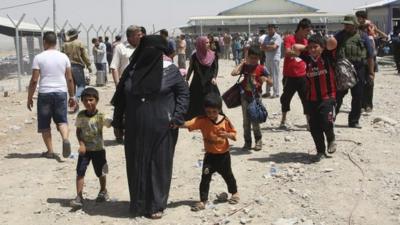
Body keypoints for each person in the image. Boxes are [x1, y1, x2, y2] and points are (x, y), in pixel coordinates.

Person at [111, 35, 189, 219]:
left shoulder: (170, 70)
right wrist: (117, 122)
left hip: (163, 127)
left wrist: (177, 117)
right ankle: (138, 203)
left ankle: (156, 204)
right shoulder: (132, 70)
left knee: (159, 164)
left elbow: (184, 94)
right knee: (136, 163)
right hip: (135, 126)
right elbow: (121, 97)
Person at [181, 93, 239, 211]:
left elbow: (234, 136)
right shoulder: (202, 120)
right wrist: (176, 124)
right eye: (208, 112)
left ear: (219, 110)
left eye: (214, 112)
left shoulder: (225, 120)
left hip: (224, 156)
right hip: (210, 156)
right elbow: (188, 124)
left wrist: (227, 134)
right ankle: (203, 201)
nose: (211, 114)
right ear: (204, 110)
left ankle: (234, 193)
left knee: (228, 175)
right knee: (205, 178)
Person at [27, 31, 76, 159]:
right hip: (61, 92)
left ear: (44, 42)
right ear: (55, 42)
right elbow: (69, 79)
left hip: (45, 93)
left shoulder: (39, 57)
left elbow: (34, 80)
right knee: (62, 120)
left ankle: (50, 151)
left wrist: (29, 97)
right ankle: (65, 138)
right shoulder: (64, 57)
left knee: (44, 124)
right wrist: (72, 96)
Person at [293, 35, 338, 161]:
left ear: (322, 48)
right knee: (314, 126)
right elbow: (295, 48)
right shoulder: (306, 57)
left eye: (315, 47)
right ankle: (320, 151)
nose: (312, 50)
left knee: (326, 121)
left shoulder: (327, 56)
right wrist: (308, 48)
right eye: (310, 47)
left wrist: (322, 44)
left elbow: (333, 42)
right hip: (311, 98)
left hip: (328, 96)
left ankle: (331, 139)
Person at [70, 87, 111, 208]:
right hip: (85, 151)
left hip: (98, 150)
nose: (88, 103)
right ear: (82, 101)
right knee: (80, 172)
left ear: (96, 100)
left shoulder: (100, 116)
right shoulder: (81, 115)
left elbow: (109, 123)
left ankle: (103, 191)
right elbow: (78, 131)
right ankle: (79, 196)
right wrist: (81, 144)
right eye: (85, 100)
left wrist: (112, 120)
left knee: (101, 172)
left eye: (91, 100)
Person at [335, 15, 374, 128]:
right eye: (345, 24)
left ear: (354, 25)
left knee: (357, 96)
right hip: (343, 69)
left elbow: (370, 56)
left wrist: (371, 73)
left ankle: (354, 121)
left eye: (348, 24)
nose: (346, 26)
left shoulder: (363, 36)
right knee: (338, 95)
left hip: (359, 69)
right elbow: (331, 46)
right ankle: (330, 118)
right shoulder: (340, 35)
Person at [231, 46, 272, 151]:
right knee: (246, 122)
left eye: (255, 58)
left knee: (255, 120)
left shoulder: (262, 68)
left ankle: (258, 141)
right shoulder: (245, 66)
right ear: (248, 57)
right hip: (244, 96)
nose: (253, 60)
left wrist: (266, 79)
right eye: (251, 57)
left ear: (259, 58)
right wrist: (242, 63)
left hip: (256, 98)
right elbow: (233, 73)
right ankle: (247, 142)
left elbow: (271, 83)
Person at [110, 25, 143, 143]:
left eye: (141, 34)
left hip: (141, 85)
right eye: (138, 35)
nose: (141, 37)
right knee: (120, 109)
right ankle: (119, 133)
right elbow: (114, 67)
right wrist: (118, 85)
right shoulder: (121, 48)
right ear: (130, 37)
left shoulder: (144, 48)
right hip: (125, 84)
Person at [279, 18, 312, 129]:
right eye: (307, 30)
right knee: (285, 99)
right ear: (301, 29)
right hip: (289, 75)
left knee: (306, 99)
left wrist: (298, 51)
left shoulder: (306, 42)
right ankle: (283, 120)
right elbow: (287, 52)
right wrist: (301, 52)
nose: (308, 33)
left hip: (303, 76)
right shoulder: (289, 38)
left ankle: (309, 122)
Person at [355, 10, 388, 113]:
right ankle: (362, 105)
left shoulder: (370, 36)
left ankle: (368, 105)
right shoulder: (357, 32)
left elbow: (385, 37)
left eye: (359, 18)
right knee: (360, 83)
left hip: (370, 61)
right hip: (360, 60)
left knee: (369, 82)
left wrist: (376, 30)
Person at [186, 36, 220, 120]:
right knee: (196, 100)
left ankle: (211, 117)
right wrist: (186, 79)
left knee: (211, 100)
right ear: (200, 44)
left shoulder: (213, 55)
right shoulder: (195, 56)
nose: (208, 44)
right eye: (206, 42)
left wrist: (214, 78)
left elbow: (215, 67)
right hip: (197, 82)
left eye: (209, 42)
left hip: (209, 82)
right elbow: (191, 68)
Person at [62, 28, 92, 113]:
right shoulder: (79, 43)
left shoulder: (65, 44)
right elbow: (84, 56)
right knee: (81, 85)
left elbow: (62, 56)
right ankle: (75, 99)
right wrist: (89, 65)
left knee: (72, 86)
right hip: (77, 66)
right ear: (76, 35)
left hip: (67, 67)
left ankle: (74, 106)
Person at [262, 24, 282, 98]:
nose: (270, 30)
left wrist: (267, 46)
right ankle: (267, 92)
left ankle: (276, 92)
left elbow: (274, 47)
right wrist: (269, 46)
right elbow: (262, 47)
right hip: (267, 58)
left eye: (271, 29)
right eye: (269, 29)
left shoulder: (277, 37)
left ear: (274, 29)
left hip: (275, 59)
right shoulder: (266, 37)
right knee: (267, 75)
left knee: (275, 75)